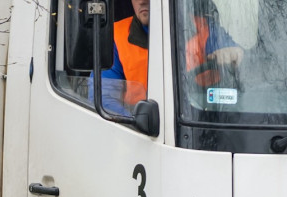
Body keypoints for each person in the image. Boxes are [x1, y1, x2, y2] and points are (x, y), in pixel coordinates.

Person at [98, 0, 243, 114]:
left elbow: (232, 51)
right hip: (138, 135)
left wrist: (232, 52)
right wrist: (136, 125)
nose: (142, 1)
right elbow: (104, 98)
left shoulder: (205, 29)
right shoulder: (116, 37)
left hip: (198, 125)